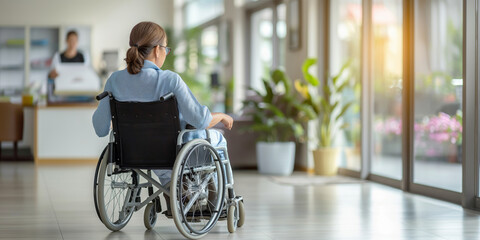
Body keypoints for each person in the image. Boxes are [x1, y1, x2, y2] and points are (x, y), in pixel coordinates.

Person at [92, 21, 233, 185]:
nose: (166, 52)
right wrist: (222, 116)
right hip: (171, 153)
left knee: (161, 151)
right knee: (218, 139)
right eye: (166, 48)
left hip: (132, 152)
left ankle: (173, 194)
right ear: (158, 50)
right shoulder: (170, 80)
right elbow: (200, 120)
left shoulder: (114, 80)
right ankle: (220, 197)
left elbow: (100, 128)